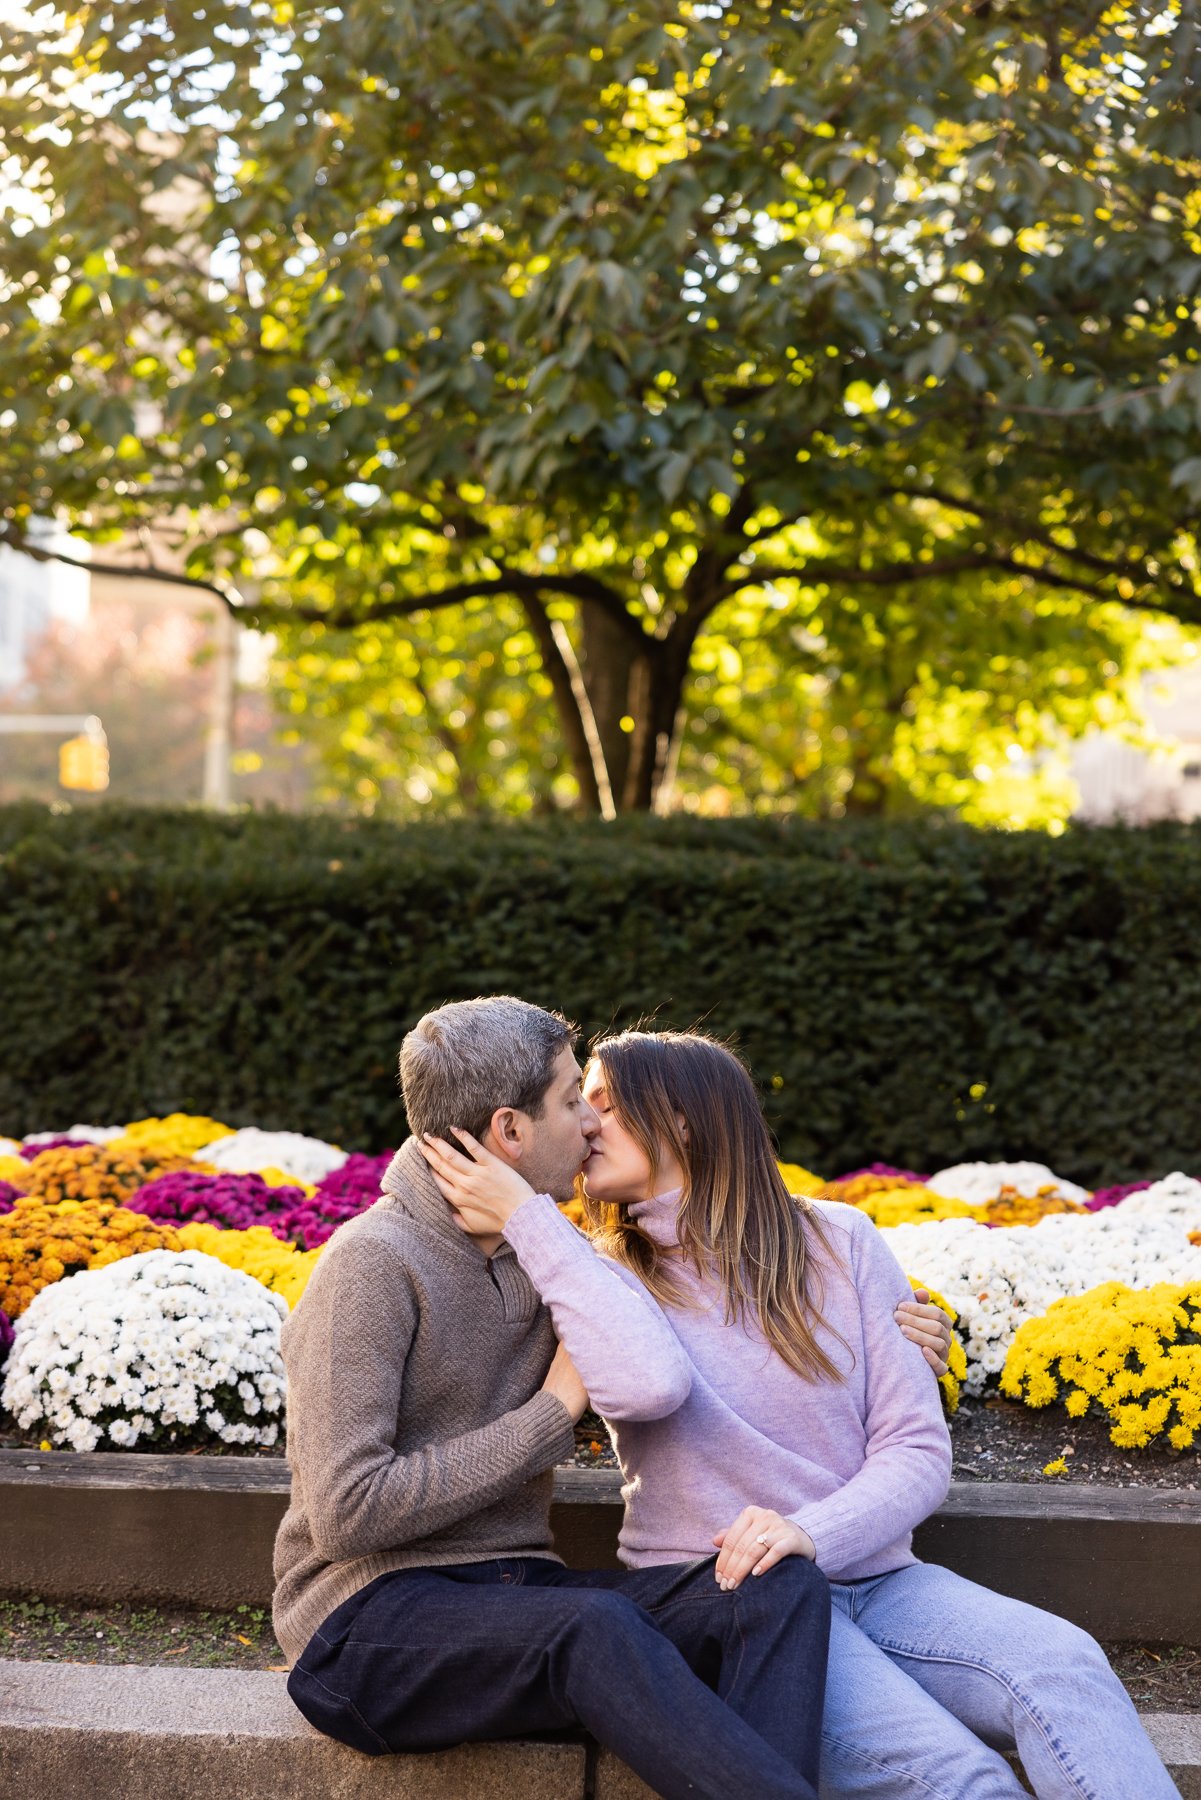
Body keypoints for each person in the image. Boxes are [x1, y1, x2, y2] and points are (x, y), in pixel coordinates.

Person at [421, 1026, 1181, 1800]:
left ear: (681, 1118)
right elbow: (640, 1387)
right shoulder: (594, 1274)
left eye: (607, 1106)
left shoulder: (840, 1240)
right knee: (956, 1778)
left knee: (1067, 1668)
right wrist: (534, 1221)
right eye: (580, 1107)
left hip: (880, 1581)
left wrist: (811, 1530)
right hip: (735, 1601)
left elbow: (915, 1449)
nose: (585, 1127)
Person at [275, 996, 836, 1800]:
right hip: (363, 1628)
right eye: (574, 1099)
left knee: (772, 1590)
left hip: (515, 1599)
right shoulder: (371, 1264)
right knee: (593, 1626)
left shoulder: (547, 1249)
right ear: (509, 1131)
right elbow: (345, 1513)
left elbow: (662, 1366)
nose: (590, 1122)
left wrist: (911, 1322)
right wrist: (550, 1414)